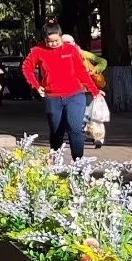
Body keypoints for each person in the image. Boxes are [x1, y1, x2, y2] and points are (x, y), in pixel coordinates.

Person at [23, 20, 100, 159]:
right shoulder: (37, 51)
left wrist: (94, 91)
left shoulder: (71, 50)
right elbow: (26, 68)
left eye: (56, 41)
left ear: (61, 36)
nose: (53, 44)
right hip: (53, 98)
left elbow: (81, 72)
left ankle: (78, 164)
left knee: (75, 128)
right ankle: (55, 161)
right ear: (44, 39)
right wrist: (36, 85)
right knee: (56, 131)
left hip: (75, 95)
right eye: (49, 41)